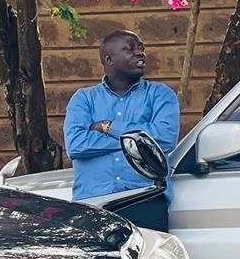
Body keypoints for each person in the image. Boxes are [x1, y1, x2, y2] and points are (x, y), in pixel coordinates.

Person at [63, 30, 180, 210]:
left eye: (141, 48)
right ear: (109, 60)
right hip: (94, 203)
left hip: (146, 198)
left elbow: (164, 139)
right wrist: (138, 143)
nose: (140, 53)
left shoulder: (161, 94)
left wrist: (108, 127)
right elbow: (76, 145)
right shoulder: (84, 98)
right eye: (130, 49)